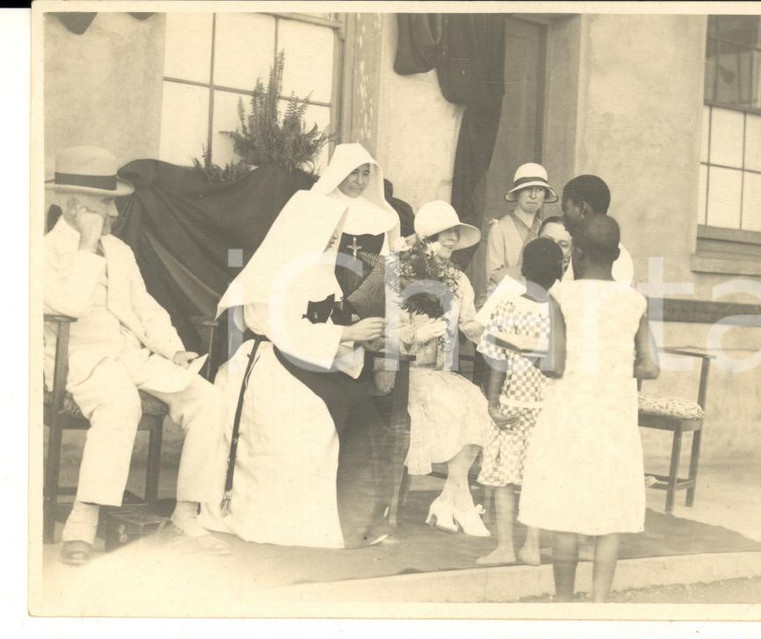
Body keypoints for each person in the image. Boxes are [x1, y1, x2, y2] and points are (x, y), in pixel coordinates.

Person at [199, 143, 400, 548]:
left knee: (361, 412)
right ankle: (323, 521)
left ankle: (356, 521)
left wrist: (359, 333)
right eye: (326, 233)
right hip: (272, 363)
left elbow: (325, 319)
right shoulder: (276, 267)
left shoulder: (321, 272)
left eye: (334, 233)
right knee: (324, 414)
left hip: (310, 359)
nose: (331, 239)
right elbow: (275, 325)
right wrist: (347, 335)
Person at [43, 146, 230, 565]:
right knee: (121, 403)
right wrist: (87, 245)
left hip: (130, 356)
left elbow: (146, 309)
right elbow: (69, 306)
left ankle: (186, 514)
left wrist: (174, 349)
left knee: (209, 400)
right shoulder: (42, 254)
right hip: (79, 359)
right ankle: (82, 522)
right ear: (73, 207)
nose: (114, 213)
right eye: (104, 204)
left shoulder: (119, 251)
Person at [519, 215, 660, 602]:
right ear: (616, 254)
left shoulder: (562, 298)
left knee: (565, 512)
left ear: (576, 254)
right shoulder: (634, 301)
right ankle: (599, 604)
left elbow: (554, 364)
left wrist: (534, 354)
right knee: (609, 513)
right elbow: (651, 367)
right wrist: (616, 367)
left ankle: (565, 602)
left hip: (569, 416)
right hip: (614, 418)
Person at [388, 200, 493, 537]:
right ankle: (462, 504)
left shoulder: (459, 280)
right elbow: (392, 331)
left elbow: (471, 325)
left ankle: (450, 499)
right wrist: (417, 335)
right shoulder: (403, 274)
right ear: (426, 238)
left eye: (454, 233)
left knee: (478, 404)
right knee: (454, 407)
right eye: (444, 233)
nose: (452, 239)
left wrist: (498, 333)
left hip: (442, 373)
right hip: (410, 374)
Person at [475, 238, 564, 566]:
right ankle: (532, 547)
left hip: (513, 402)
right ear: (560, 271)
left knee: (505, 479)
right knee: (536, 478)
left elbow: (497, 361)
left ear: (524, 269)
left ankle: (505, 547)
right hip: (548, 407)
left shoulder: (508, 306)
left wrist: (493, 403)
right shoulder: (560, 311)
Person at [484, 163, 559, 298]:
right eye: (528, 189)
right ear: (517, 193)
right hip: (507, 299)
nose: (533, 196)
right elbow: (493, 277)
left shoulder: (545, 229)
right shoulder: (499, 228)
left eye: (539, 190)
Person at [559, 175, 634, 285]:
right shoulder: (580, 249)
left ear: (582, 209)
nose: (563, 219)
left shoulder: (615, 259)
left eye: (565, 210)